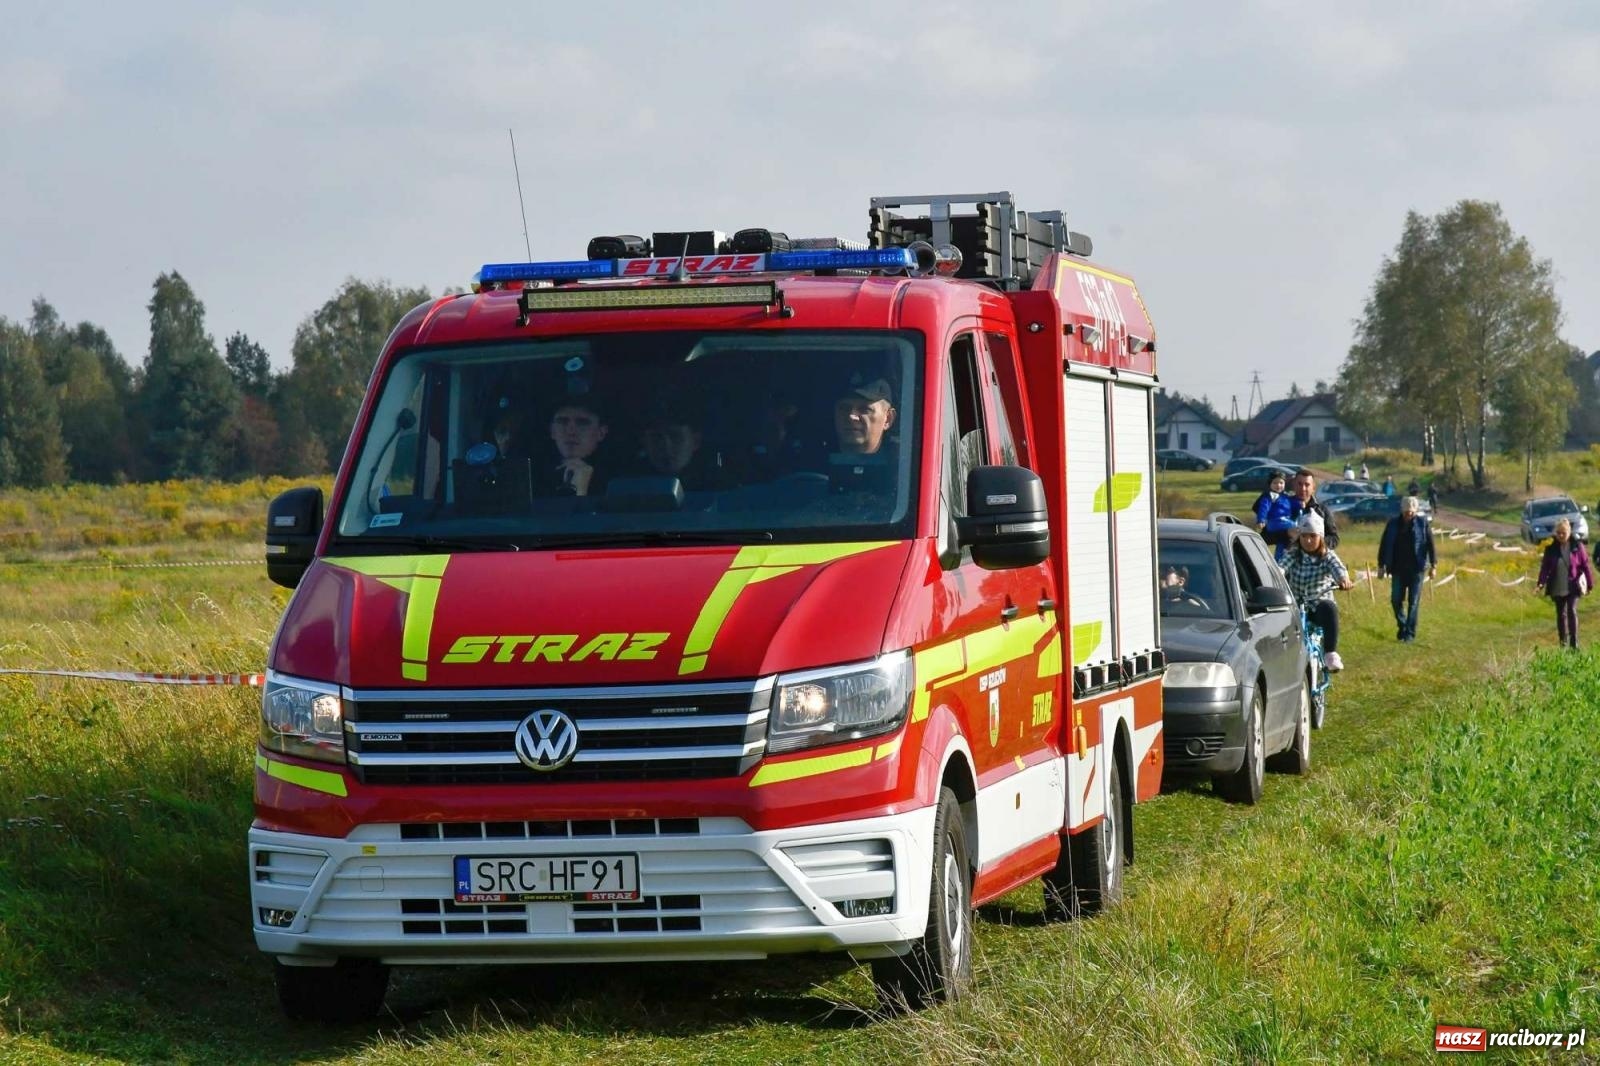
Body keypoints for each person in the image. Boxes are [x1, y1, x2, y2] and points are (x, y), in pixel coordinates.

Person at [1280, 511, 1354, 671]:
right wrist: (1274, 577)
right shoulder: (1293, 554)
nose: (1308, 540)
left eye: (1313, 536)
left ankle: (1330, 654)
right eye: (1304, 536)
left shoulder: (1327, 556)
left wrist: (1343, 580)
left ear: (1320, 537)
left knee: (1329, 608)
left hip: (1319, 605)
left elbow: (1338, 568)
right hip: (1297, 606)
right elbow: (1280, 568)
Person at [1377, 496, 1437, 642]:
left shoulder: (1423, 524)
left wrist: (1433, 565)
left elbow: (1431, 545)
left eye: (1411, 512)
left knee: (1413, 602)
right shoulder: (1392, 524)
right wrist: (1381, 565)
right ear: (1402, 511)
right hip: (1397, 569)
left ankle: (1409, 633)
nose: (1409, 514)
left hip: (1417, 569)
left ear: (1415, 511)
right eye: (1406, 512)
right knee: (1395, 600)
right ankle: (1403, 625)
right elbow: (1384, 545)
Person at [635, 402, 727, 491]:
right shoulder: (630, 483)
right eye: (656, 437)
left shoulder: (718, 486)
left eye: (675, 436)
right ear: (645, 442)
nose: (665, 445)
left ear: (695, 441)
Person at [1535, 518, 1595, 648]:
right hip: (1557, 585)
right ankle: (1563, 643)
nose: (1561, 535)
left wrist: (1590, 584)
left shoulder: (1577, 547)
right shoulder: (1550, 549)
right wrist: (1541, 583)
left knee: (1571, 610)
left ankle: (1574, 643)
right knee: (1561, 614)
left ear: (1569, 532)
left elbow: (1585, 566)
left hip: (1573, 584)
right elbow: (1545, 567)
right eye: (1558, 533)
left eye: (1564, 532)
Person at [537, 397, 610, 496]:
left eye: (582, 423)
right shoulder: (532, 480)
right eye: (562, 422)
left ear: (601, 433)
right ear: (552, 431)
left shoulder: (617, 482)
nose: (570, 432)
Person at [1252, 471, 1298, 558]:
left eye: (1281, 483)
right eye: (1275, 483)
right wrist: (1261, 519)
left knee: (1282, 541)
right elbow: (1264, 507)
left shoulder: (1285, 496)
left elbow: (1292, 503)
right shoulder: (1270, 495)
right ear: (1270, 484)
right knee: (1296, 527)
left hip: (1283, 522)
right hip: (1275, 522)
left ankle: (1279, 559)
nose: (1278, 485)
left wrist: (1300, 504)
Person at [1290, 470, 1340, 549]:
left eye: (1307, 485)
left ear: (1313, 487)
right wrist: (1285, 534)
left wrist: (1317, 543)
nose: (1303, 488)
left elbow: (1334, 538)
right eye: (1299, 484)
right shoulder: (1282, 507)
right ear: (1294, 485)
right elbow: (1267, 537)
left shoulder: (1321, 510)